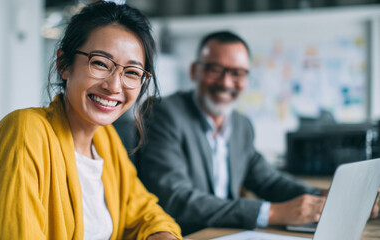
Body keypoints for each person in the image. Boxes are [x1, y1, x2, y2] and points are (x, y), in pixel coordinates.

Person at [0, 2, 181, 240]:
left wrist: (163, 236)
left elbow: (146, 212)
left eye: (132, 72)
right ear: (64, 64)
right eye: (100, 63)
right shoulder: (26, 131)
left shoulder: (105, 140)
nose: (113, 86)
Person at [136, 30, 378, 235]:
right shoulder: (163, 114)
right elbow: (175, 199)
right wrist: (270, 212)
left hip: (226, 232)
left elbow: (269, 181)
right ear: (194, 71)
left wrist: (330, 197)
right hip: (182, 235)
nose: (227, 82)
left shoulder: (241, 125)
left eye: (237, 73)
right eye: (215, 69)